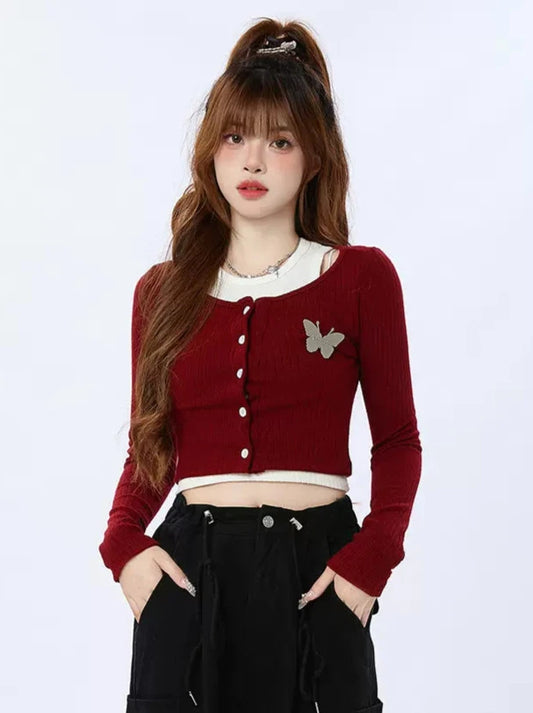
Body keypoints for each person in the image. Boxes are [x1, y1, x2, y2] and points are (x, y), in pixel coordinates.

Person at [98, 17, 422, 713]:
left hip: (319, 574)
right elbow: (149, 447)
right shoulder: (161, 292)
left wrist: (371, 559)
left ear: (314, 158)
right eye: (235, 137)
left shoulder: (359, 278)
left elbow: (397, 441)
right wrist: (122, 545)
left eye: (280, 141)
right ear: (210, 149)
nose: (252, 161)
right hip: (189, 577)